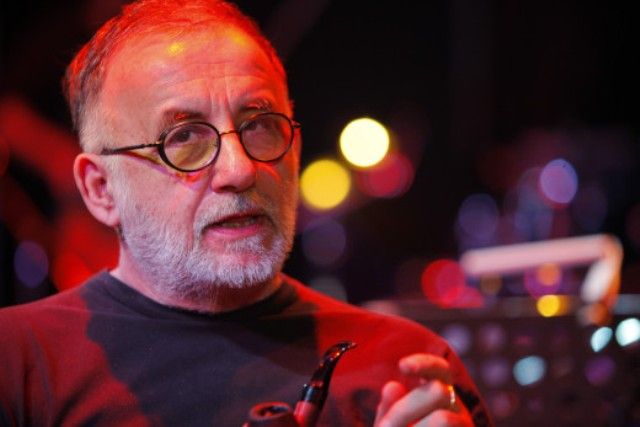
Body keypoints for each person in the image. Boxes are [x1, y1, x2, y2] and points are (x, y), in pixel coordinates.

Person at [0, 1, 492, 425]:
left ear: (295, 150)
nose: (239, 169)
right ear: (101, 189)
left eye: (259, 125)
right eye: (183, 138)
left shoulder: (407, 371)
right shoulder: (17, 360)